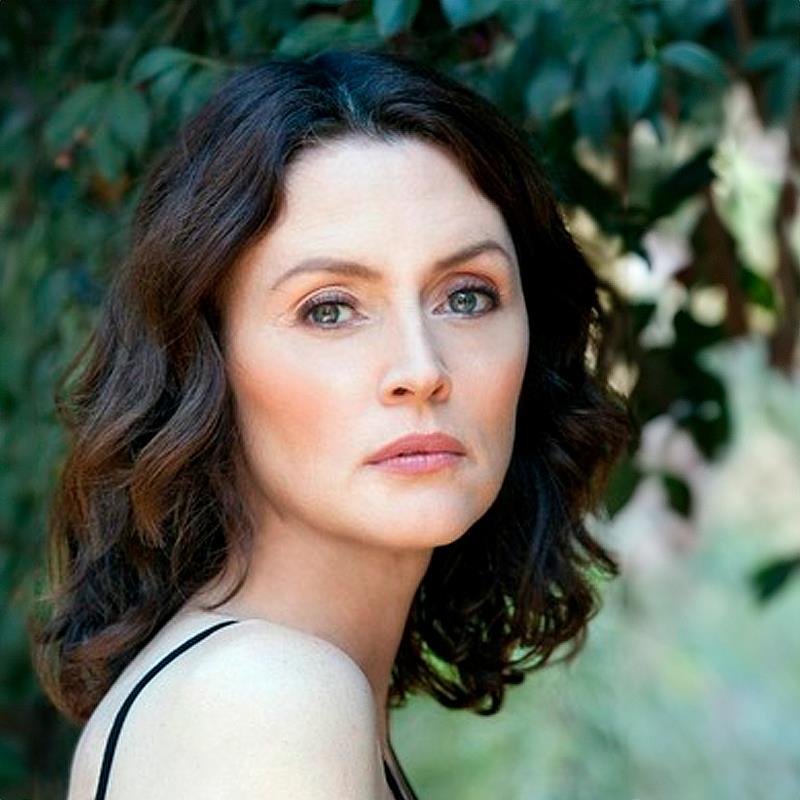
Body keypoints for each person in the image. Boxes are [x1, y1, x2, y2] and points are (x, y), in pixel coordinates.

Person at [31, 47, 635, 799]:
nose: (421, 368)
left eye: (467, 296)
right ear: (207, 360)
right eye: (329, 309)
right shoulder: (267, 703)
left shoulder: (272, 688)